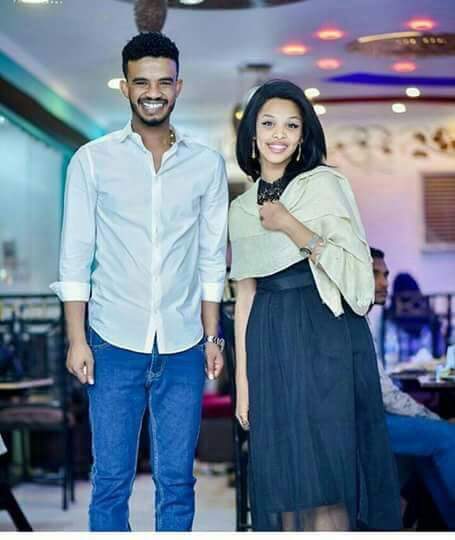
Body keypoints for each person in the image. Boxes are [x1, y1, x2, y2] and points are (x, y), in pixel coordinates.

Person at [50, 32, 228, 532]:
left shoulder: (207, 165)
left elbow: (211, 258)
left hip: (183, 345)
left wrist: (213, 337)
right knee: (110, 481)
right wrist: (77, 339)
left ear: (178, 87)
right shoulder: (92, 160)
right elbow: (75, 256)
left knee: (178, 482)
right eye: (142, 82)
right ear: (125, 87)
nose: (154, 92)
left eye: (164, 82)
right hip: (112, 342)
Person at [228, 79, 401, 531]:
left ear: (303, 135)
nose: (279, 134)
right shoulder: (240, 210)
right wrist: (243, 383)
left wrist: (289, 223)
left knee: (328, 472)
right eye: (268, 123)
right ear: (252, 133)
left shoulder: (325, 185)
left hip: (326, 338)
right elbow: (244, 297)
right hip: (270, 345)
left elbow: (358, 277)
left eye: (291, 125)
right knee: (283, 480)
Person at [371, 247, 455, 530]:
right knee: (446, 436)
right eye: (375, 274)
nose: (383, 283)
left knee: (427, 449)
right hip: (367, 418)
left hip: (385, 405)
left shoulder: (375, 319)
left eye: (386, 276)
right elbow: (385, 394)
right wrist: (432, 418)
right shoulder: (361, 322)